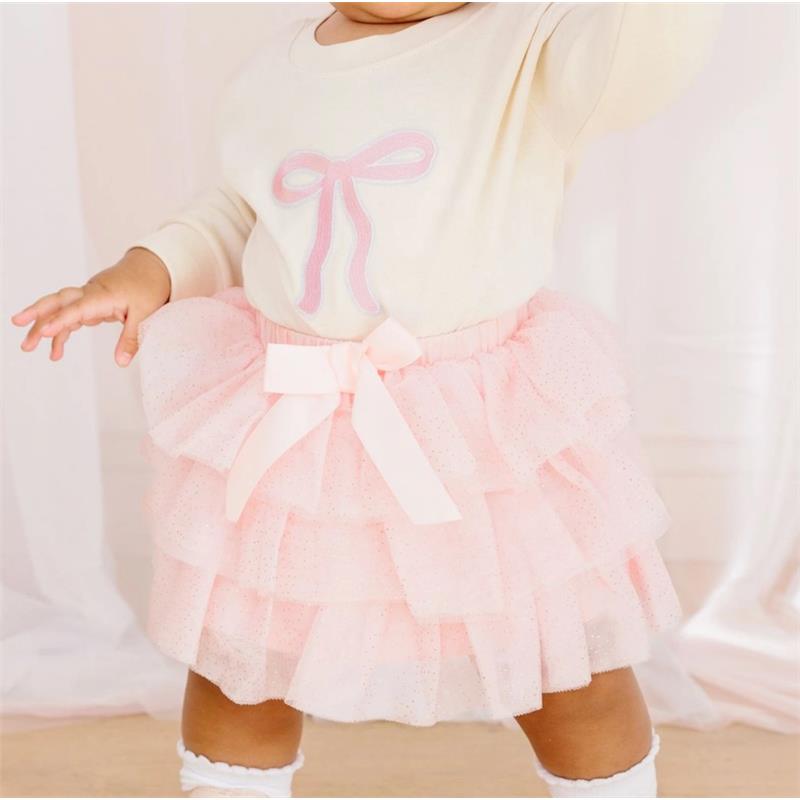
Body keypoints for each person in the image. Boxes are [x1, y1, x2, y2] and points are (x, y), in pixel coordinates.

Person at [11, 2, 723, 797]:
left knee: (568, 661)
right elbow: (243, 212)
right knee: (245, 661)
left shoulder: (528, 45)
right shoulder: (274, 70)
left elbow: (643, 52)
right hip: (299, 421)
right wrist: (150, 268)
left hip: (474, 430)